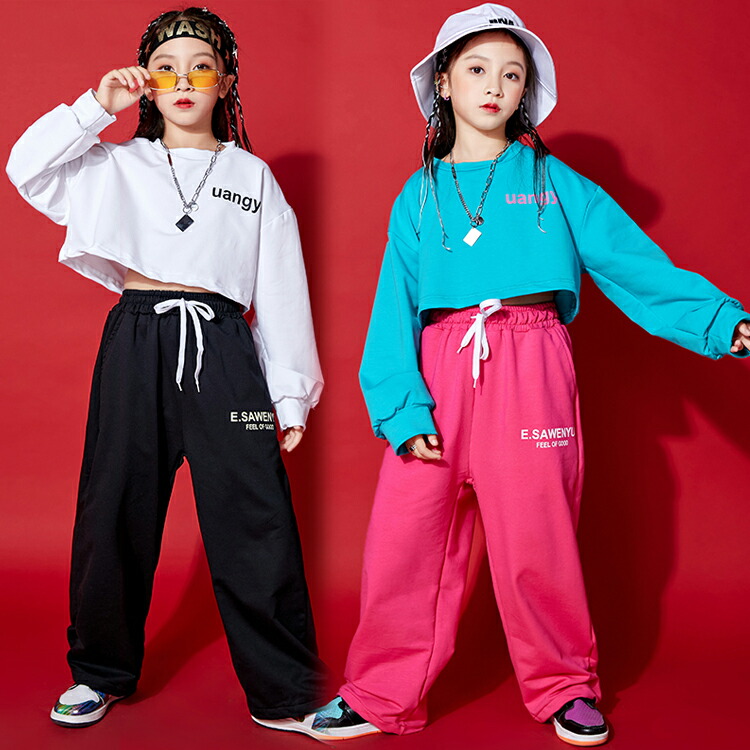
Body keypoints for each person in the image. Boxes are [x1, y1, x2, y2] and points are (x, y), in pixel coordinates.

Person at [258, 3, 750, 746]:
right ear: (444, 83)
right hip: (439, 369)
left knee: (536, 536)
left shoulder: (555, 182)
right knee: (405, 540)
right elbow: (393, 312)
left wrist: (722, 324)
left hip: (531, 364)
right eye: (478, 68)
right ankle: (382, 691)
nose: (495, 85)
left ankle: (564, 685)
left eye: (512, 74)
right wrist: (402, 409)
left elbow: (634, 265)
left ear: (526, 92)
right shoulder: (418, 194)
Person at [6, 7, 327, 729]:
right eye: (166, 68)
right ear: (147, 83)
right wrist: (96, 108)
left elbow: (280, 285)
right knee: (114, 508)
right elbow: (24, 167)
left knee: (256, 514)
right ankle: (99, 672)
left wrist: (291, 396)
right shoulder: (113, 163)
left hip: (225, 349)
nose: (184, 81)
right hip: (136, 339)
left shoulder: (252, 177)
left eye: (201, 68)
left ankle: (285, 690)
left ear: (226, 82)